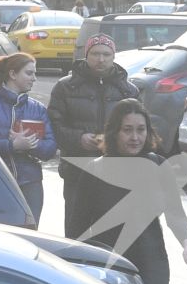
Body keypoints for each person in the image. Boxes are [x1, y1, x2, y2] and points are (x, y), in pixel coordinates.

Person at [81, 99, 187, 284]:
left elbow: (175, 213)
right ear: (114, 132)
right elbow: (77, 228)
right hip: (106, 269)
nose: (135, 137)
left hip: (151, 266)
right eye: (127, 130)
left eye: (141, 130)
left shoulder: (159, 166)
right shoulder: (95, 170)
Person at [49, 33, 141, 242]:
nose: (101, 59)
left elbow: (140, 129)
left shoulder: (128, 90)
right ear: (86, 54)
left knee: (113, 233)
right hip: (77, 169)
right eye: (96, 54)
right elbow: (54, 124)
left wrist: (114, 142)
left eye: (106, 54)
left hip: (116, 171)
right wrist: (78, 138)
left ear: (113, 56)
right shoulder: (65, 87)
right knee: (76, 232)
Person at [0, 52, 56, 225]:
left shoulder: (38, 108)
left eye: (34, 73)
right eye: (29, 73)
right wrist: (12, 145)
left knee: (30, 232)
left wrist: (30, 145)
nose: (34, 78)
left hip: (30, 182)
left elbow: (50, 148)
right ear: (12, 74)